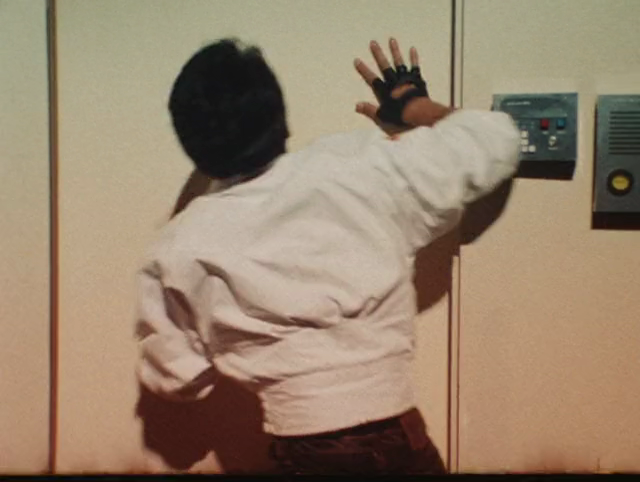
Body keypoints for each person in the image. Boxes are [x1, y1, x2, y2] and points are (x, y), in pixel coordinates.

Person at [134, 37, 520, 475]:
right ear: (281, 120)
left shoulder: (181, 244)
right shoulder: (359, 167)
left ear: (192, 145)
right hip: (403, 443)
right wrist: (413, 108)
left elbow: (176, 377)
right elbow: (499, 137)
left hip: (303, 453)